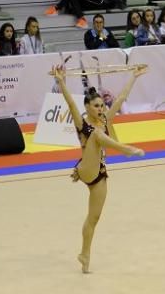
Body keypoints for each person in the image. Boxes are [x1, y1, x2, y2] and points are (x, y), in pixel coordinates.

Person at [50, 63, 146, 274]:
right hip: (86, 168)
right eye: (96, 106)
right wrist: (61, 82)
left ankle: (85, 255)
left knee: (93, 218)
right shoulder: (82, 123)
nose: (101, 109)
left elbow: (120, 99)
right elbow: (70, 104)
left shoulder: (104, 119)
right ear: (87, 107)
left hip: (98, 174)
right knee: (96, 135)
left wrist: (134, 77)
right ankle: (126, 149)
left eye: (102, 105)